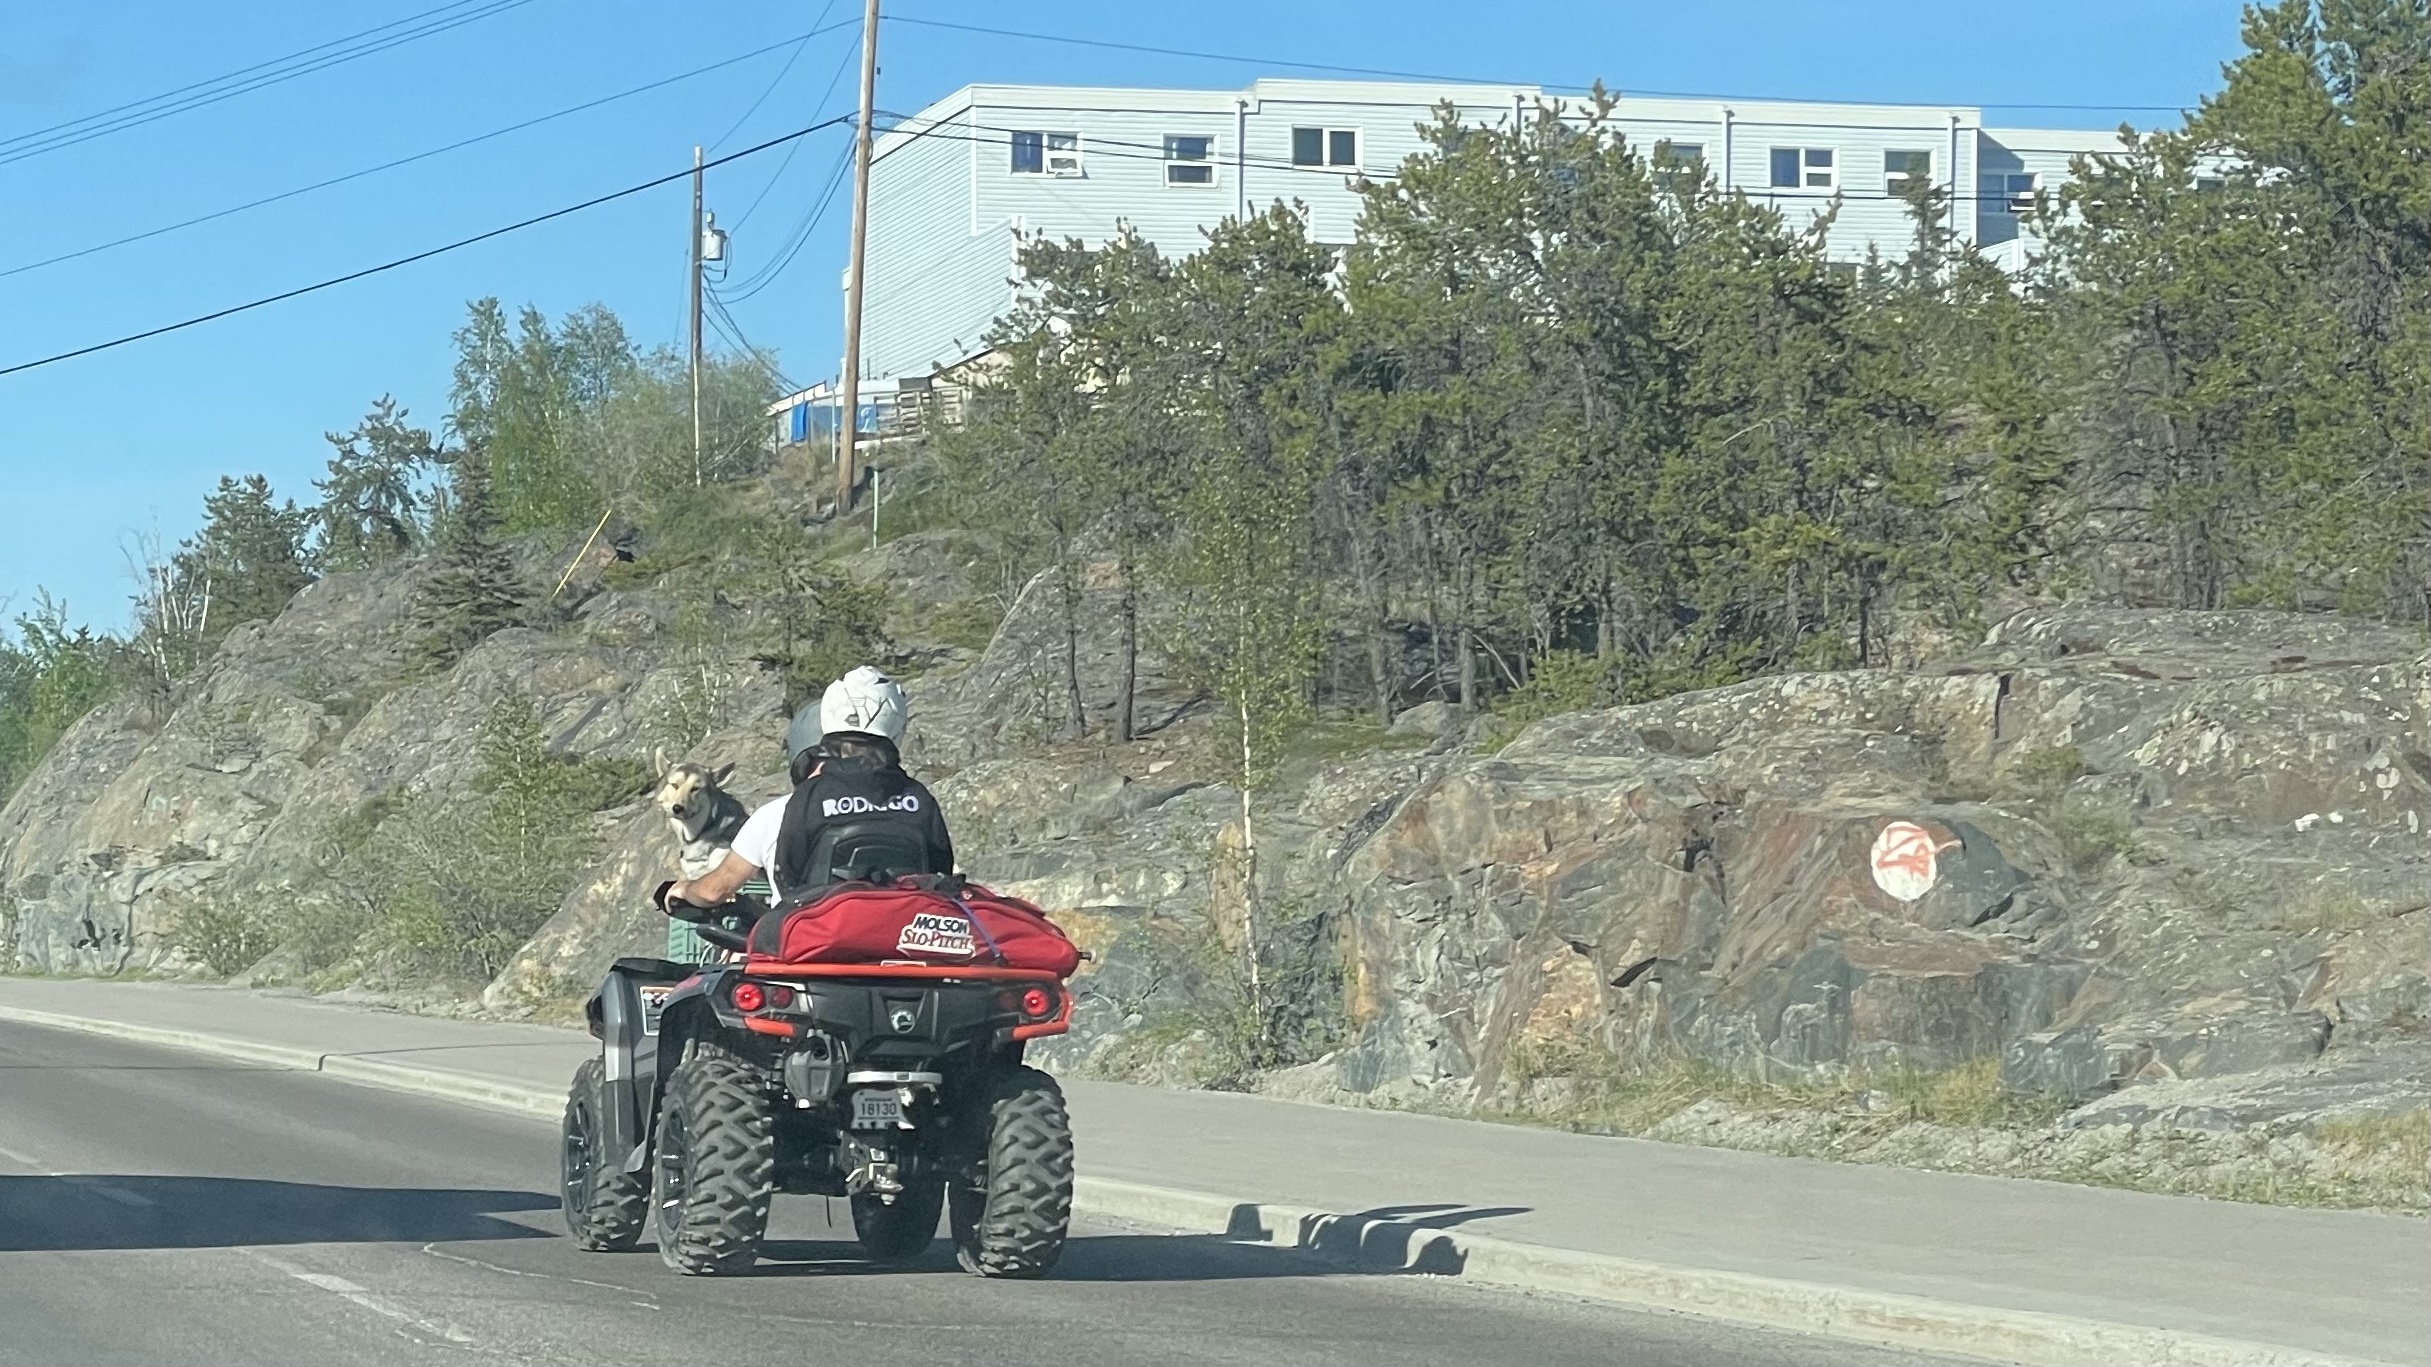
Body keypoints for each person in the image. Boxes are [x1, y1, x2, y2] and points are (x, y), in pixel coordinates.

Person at [661, 665, 954, 912]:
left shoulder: (783, 810)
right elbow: (940, 877)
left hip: (810, 951)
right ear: (897, 726)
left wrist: (684, 889)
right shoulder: (919, 799)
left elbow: (718, 889)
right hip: (906, 947)